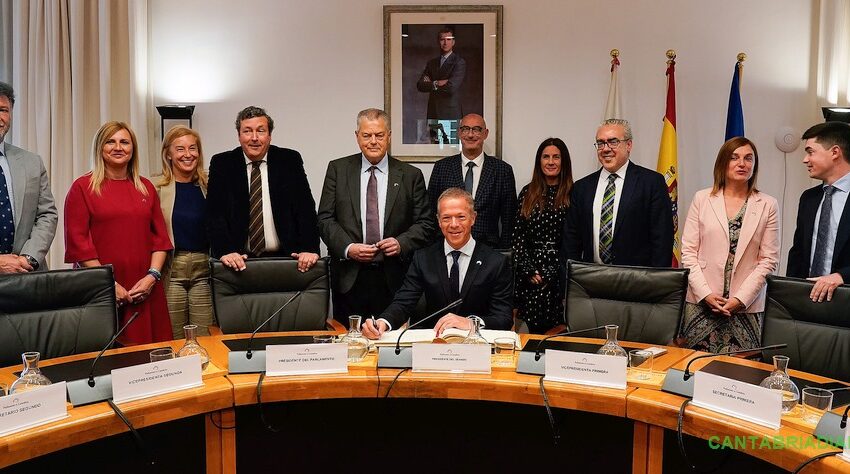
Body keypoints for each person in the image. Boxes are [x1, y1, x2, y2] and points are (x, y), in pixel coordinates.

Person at [318, 108, 433, 324]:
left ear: (389, 136)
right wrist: (348, 248)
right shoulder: (338, 169)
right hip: (349, 276)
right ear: (357, 136)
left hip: (394, 277)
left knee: (391, 348)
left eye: (379, 135)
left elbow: (426, 223)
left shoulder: (410, 175)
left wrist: (401, 243)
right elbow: (325, 219)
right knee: (351, 346)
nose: (373, 141)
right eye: (367, 135)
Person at [65, 121, 172, 344]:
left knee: (151, 358)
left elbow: (160, 240)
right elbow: (79, 243)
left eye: (124, 142)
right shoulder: (82, 187)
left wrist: (152, 277)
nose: (118, 147)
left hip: (144, 288)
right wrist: (108, 283)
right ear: (100, 148)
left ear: (132, 149)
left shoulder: (146, 187)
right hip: (101, 287)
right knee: (107, 360)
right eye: (110, 142)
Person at [362, 188, 513, 338]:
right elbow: (403, 302)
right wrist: (382, 322)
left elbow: (504, 318)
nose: (454, 224)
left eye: (461, 217)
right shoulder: (423, 258)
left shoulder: (496, 262)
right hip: (433, 346)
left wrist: (471, 323)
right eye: (446, 218)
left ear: (473, 218)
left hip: (478, 347)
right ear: (439, 221)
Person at [679, 137, 779, 352]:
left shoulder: (767, 204)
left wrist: (740, 299)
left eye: (748, 158)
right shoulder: (702, 198)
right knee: (694, 371)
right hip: (702, 302)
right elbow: (688, 253)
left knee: (742, 376)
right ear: (723, 163)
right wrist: (705, 294)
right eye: (734, 158)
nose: (742, 164)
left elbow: (769, 261)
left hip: (746, 306)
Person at [206, 106, 319, 272]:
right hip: (238, 261)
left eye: (260, 131)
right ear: (239, 136)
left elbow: (305, 209)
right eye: (247, 131)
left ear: (270, 136)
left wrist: (309, 248)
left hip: (287, 259)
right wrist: (225, 251)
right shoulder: (222, 164)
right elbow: (214, 214)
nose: (254, 138)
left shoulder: (289, 160)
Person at [562, 119, 673, 267]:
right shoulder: (582, 188)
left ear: (629, 145)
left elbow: (662, 240)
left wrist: (655, 284)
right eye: (600, 143)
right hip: (591, 282)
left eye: (613, 142)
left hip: (637, 282)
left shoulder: (651, 183)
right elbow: (571, 241)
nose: (605, 149)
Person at [155, 125, 213, 339]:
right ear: (168, 154)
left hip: (204, 271)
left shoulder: (209, 186)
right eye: (180, 149)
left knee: (205, 336)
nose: (187, 155)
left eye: (193, 148)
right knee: (174, 336)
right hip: (172, 270)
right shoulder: (156, 188)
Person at [427, 113, 517, 249]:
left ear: (485, 133)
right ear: (459, 133)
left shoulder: (502, 171)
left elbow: (508, 218)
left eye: (476, 129)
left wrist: (504, 253)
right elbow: (431, 211)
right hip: (447, 246)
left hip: (488, 249)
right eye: (465, 129)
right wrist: (433, 249)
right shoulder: (442, 168)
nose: (470, 135)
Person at [512, 138, 573, 333]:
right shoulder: (527, 192)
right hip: (529, 277)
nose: (551, 161)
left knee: (560, 333)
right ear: (539, 161)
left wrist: (552, 271)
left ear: (564, 161)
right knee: (532, 335)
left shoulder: (574, 193)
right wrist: (529, 270)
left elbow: (574, 240)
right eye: (546, 157)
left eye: (556, 157)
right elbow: (517, 237)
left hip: (560, 276)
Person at [787, 121, 850, 303]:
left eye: (810, 152)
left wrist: (841, 276)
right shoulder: (808, 198)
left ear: (835, 152)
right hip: (808, 300)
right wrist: (791, 292)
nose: (805, 159)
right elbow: (798, 251)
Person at [0, 81, 57, 273]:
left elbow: (47, 214)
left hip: (27, 276)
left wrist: (28, 258)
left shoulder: (32, 162)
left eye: (3, 110)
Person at [416, 25, 466, 140]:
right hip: (433, 112)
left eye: (448, 39)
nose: (445, 43)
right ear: (439, 42)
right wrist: (437, 83)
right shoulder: (432, 63)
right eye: (442, 39)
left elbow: (451, 87)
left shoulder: (459, 62)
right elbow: (420, 85)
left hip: (450, 113)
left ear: (453, 42)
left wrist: (431, 84)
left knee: (451, 148)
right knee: (434, 147)